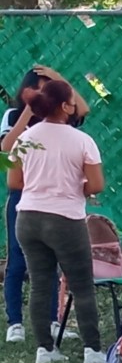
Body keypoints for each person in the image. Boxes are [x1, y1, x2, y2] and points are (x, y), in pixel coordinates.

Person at [7, 80, 105, 363]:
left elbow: (14, 182)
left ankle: (45, 351)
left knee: (40, 284)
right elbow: (96, 184)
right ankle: (93, 351)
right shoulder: (81, 140)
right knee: (82, 286)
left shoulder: (26, 137)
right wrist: (78, 189)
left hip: (28, 219)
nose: (75, 106)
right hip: (65, 219)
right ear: (64, 107)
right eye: (72, 101)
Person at [1, 66, 89, 344]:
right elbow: (5, 149)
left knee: (51, 263)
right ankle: (15, 322)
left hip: (57, 198)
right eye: (37, 87)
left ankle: (52, 320)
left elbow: (83, 110)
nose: (42, 92)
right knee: (17, 260)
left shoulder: (62, 117)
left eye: (47, 88)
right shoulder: (15, 116)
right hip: (24, 198)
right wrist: (29, 109)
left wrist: (59, 76)